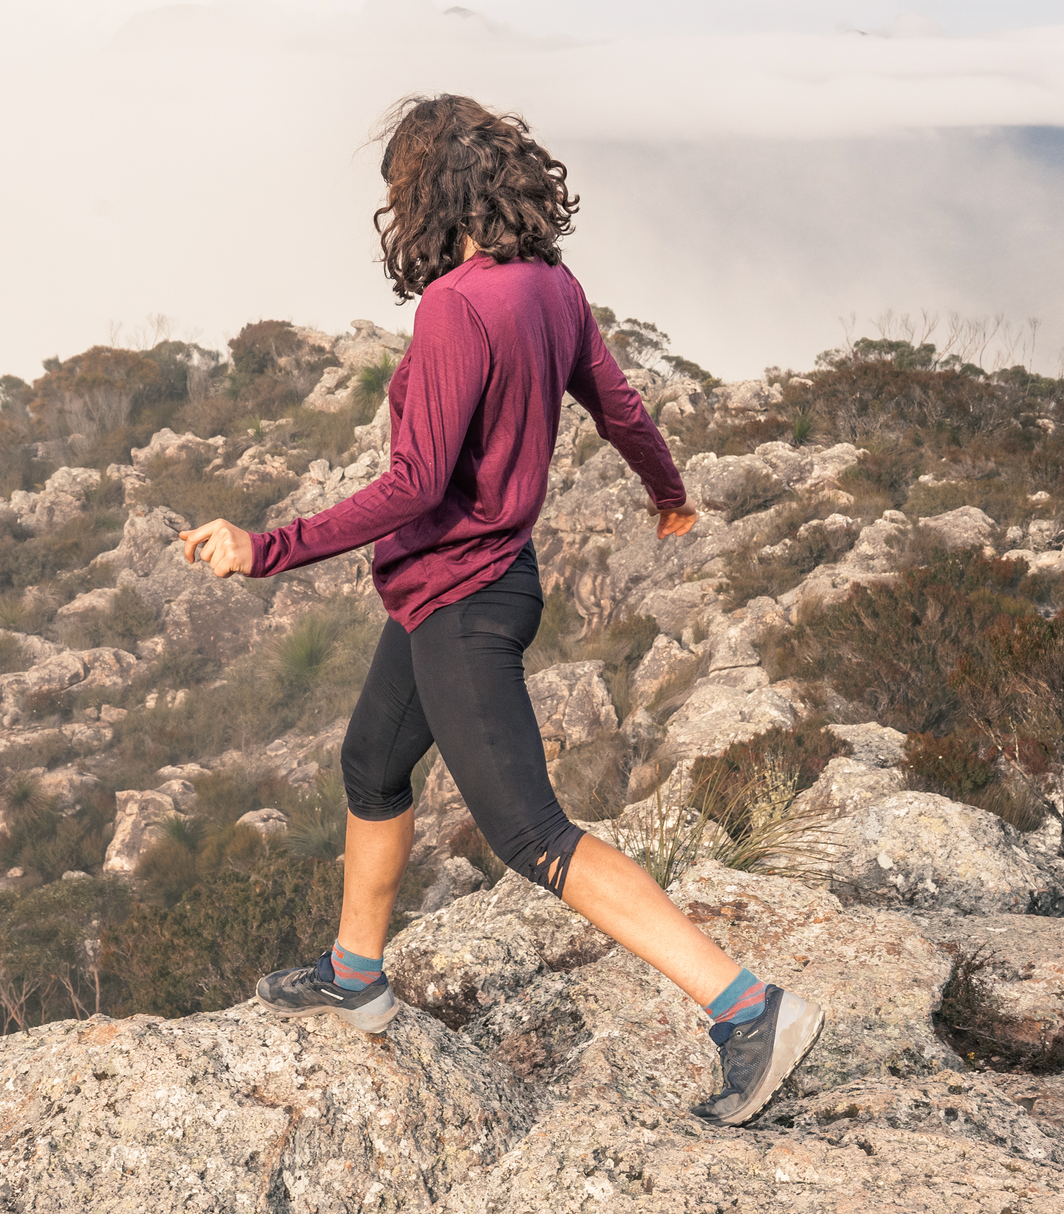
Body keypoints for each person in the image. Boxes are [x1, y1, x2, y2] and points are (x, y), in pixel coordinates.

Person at [179, 94, 823, 1128]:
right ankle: (356, 972)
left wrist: (266, 548)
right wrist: (665, 491)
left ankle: (749, 1007)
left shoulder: (455, 307)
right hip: (479, 582)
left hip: (460, 598)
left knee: (530, 833)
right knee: (371, 764)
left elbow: (412, 483)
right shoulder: (549, 284)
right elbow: (617, 404)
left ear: (423, 193)